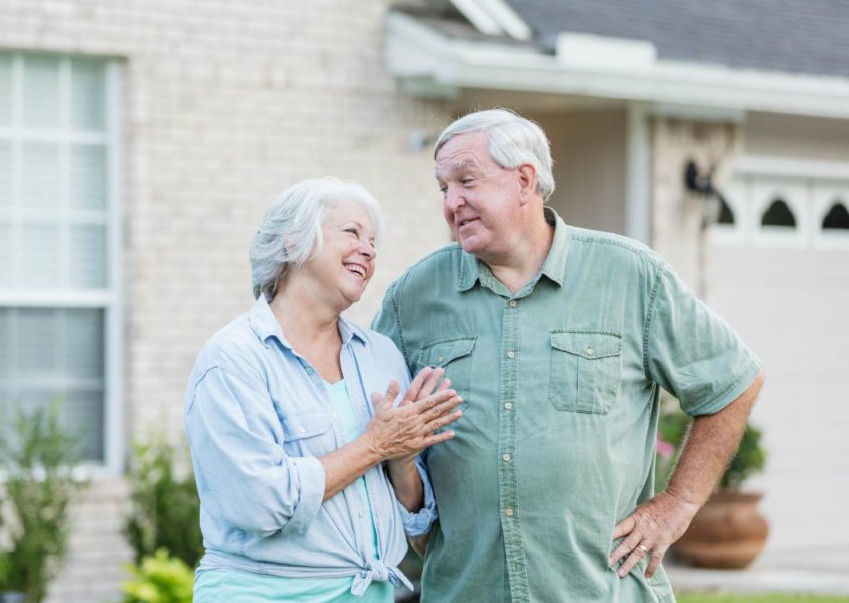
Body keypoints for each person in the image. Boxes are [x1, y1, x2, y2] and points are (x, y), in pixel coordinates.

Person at [373, 109, 765, 602]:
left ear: (524, 181)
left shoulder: (631, 277)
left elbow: (733, 382)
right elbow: (372, 426)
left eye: (466, 181)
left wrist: (679, 503)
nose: (452, 203)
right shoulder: (413, 297)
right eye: (443, 188)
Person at [184, 178, 462, 602]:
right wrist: (376, 445)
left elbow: (418, 523)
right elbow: (258, 504)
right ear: (291, 245)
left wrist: (402, 461)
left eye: (373, 242)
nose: (369, 250)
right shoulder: (233, 360)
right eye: (352, 232)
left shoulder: (381, 356)